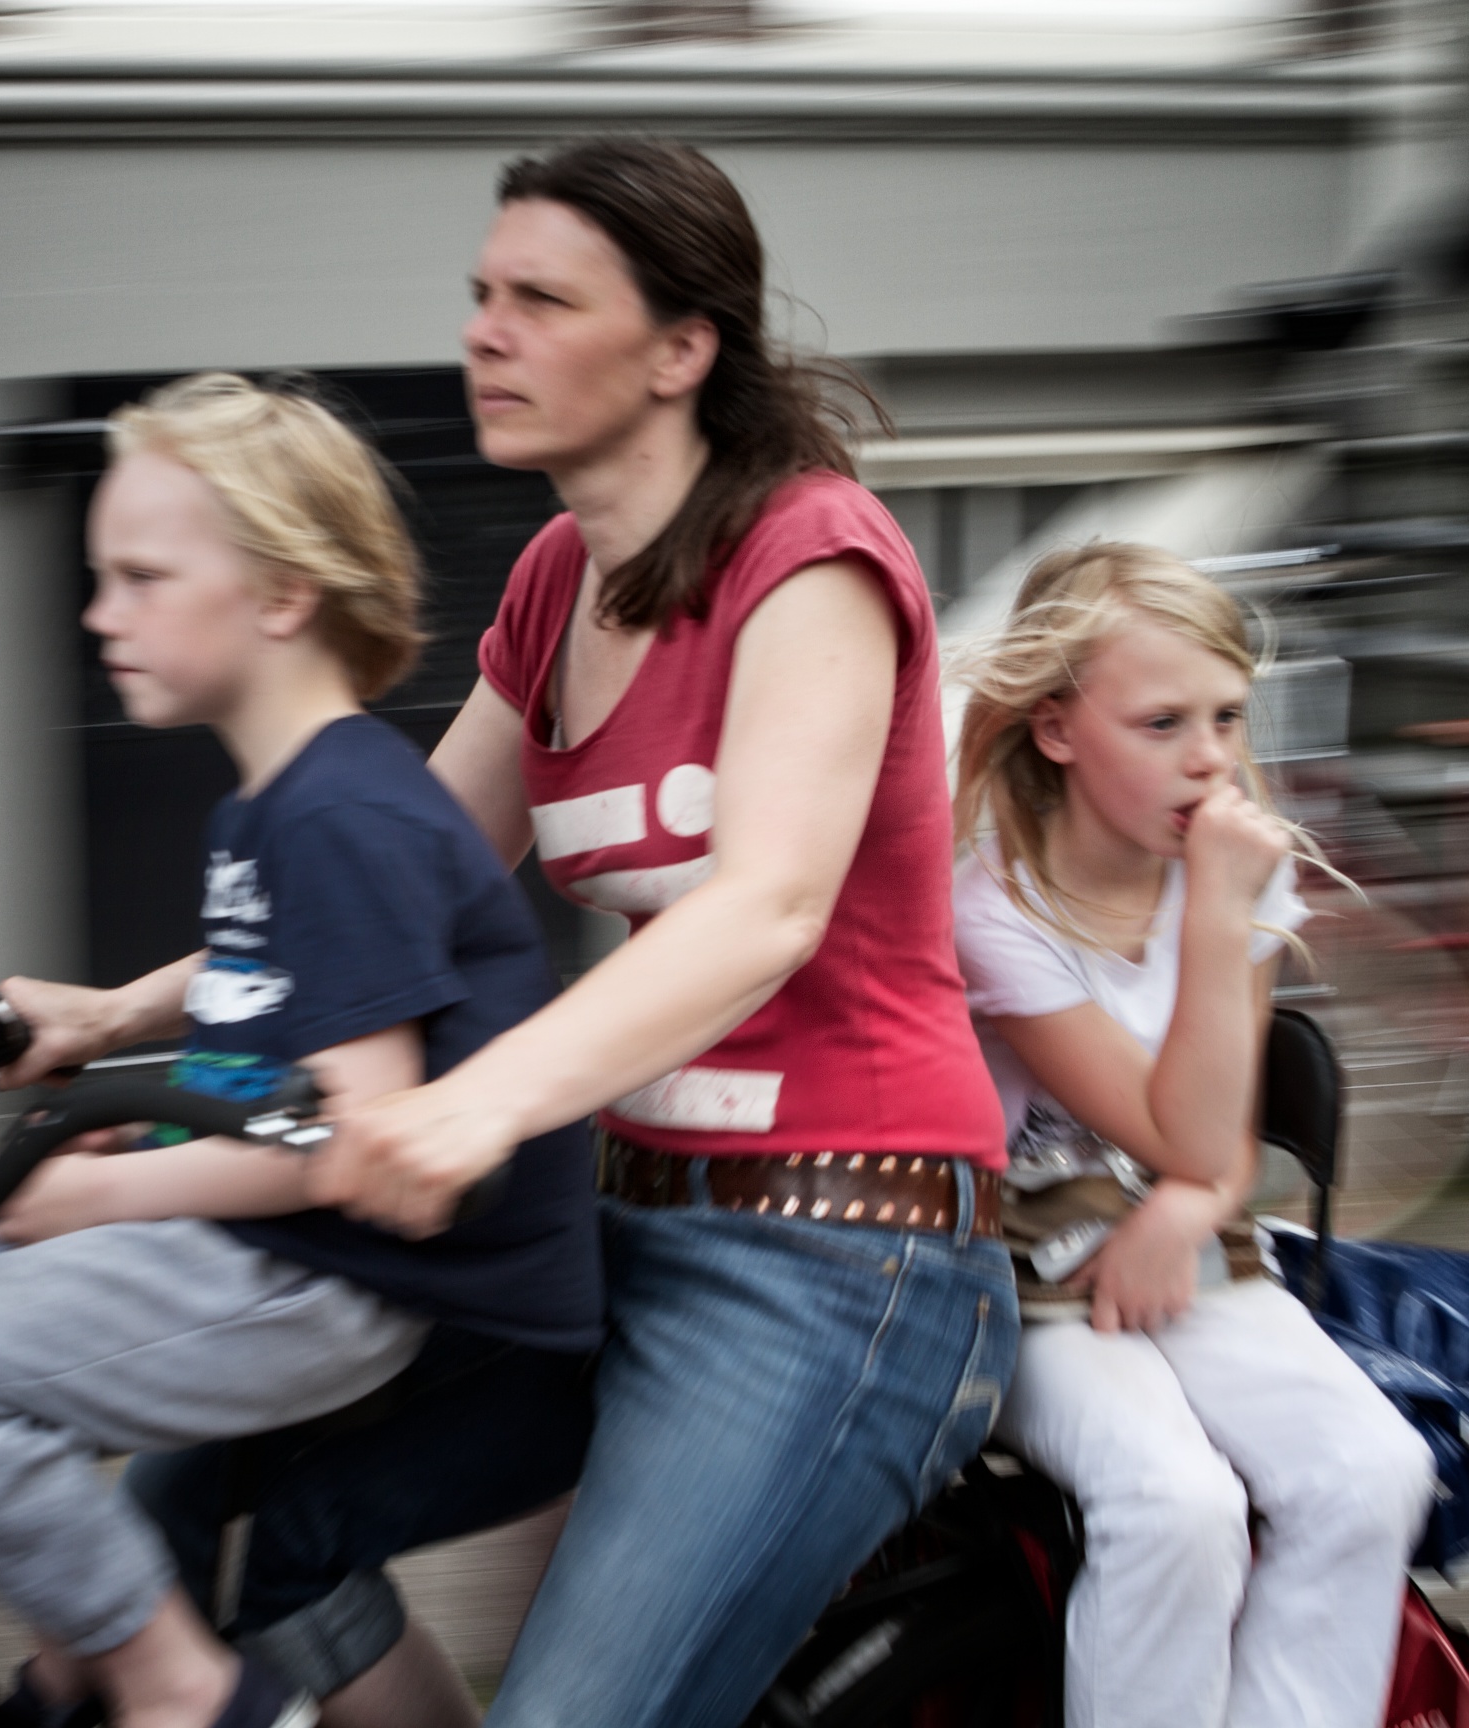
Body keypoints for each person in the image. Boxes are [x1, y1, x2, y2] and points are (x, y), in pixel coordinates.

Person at [151, 134, 1020, 1728]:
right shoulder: (560, 579)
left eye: (542, 301)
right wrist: (119, 1017)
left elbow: (765, 910)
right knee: (234, 1517)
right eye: (483, 294)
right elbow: (394, 891)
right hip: (615, 1238)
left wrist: (474, 1104)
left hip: (840, 1266)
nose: (484, 332)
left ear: (682, 350)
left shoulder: (812, 556)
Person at [0, 373, 602, 1728]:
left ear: (283, 595)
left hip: (342, 1281)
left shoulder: (343, 817)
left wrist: (105, 1191)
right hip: (268, 1245)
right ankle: (82, 1650)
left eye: (142, 578)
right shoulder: (267, 812)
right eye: (103, 576)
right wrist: (141, 1104)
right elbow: (265, 1051)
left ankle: (184, 1691)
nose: (101, 613)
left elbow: (343, 1130)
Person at [947, 541, 1434, 1728]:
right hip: (1021, 1277)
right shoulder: (994, 908)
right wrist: (1217, 918)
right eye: (1162, 723)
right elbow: (1179, 1127)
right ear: (1056, 730)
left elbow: (1215, 1146)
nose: (1211, 756)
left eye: (1225, 716)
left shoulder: (1235, 875)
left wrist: (1188, 1207)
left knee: (1375, 1470)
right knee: (1176, 1503)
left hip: (1186, 1246)